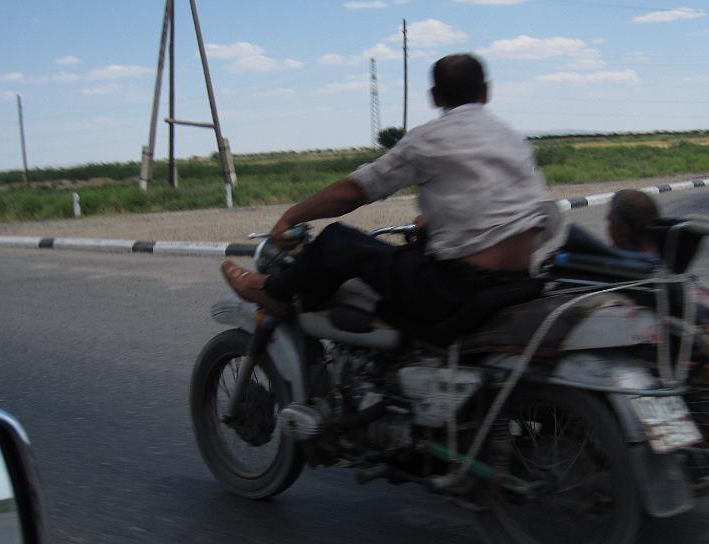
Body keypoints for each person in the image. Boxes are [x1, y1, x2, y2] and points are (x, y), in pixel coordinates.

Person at [221, 53, 549, 343]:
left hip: (457, 289)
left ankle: (273, 292)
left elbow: (355, 190)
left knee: (339, 241)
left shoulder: (427, 139)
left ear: (434, 97)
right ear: (486, 91)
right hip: (518, 278)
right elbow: (493, 199)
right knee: (409, 253)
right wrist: (434, 221)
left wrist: (292, 216)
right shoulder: (511, 138)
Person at [605, 189, 661, 255]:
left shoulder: (618, 261)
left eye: (610, 220)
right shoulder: (669, 251)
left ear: (621, 231)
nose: (606, 219)